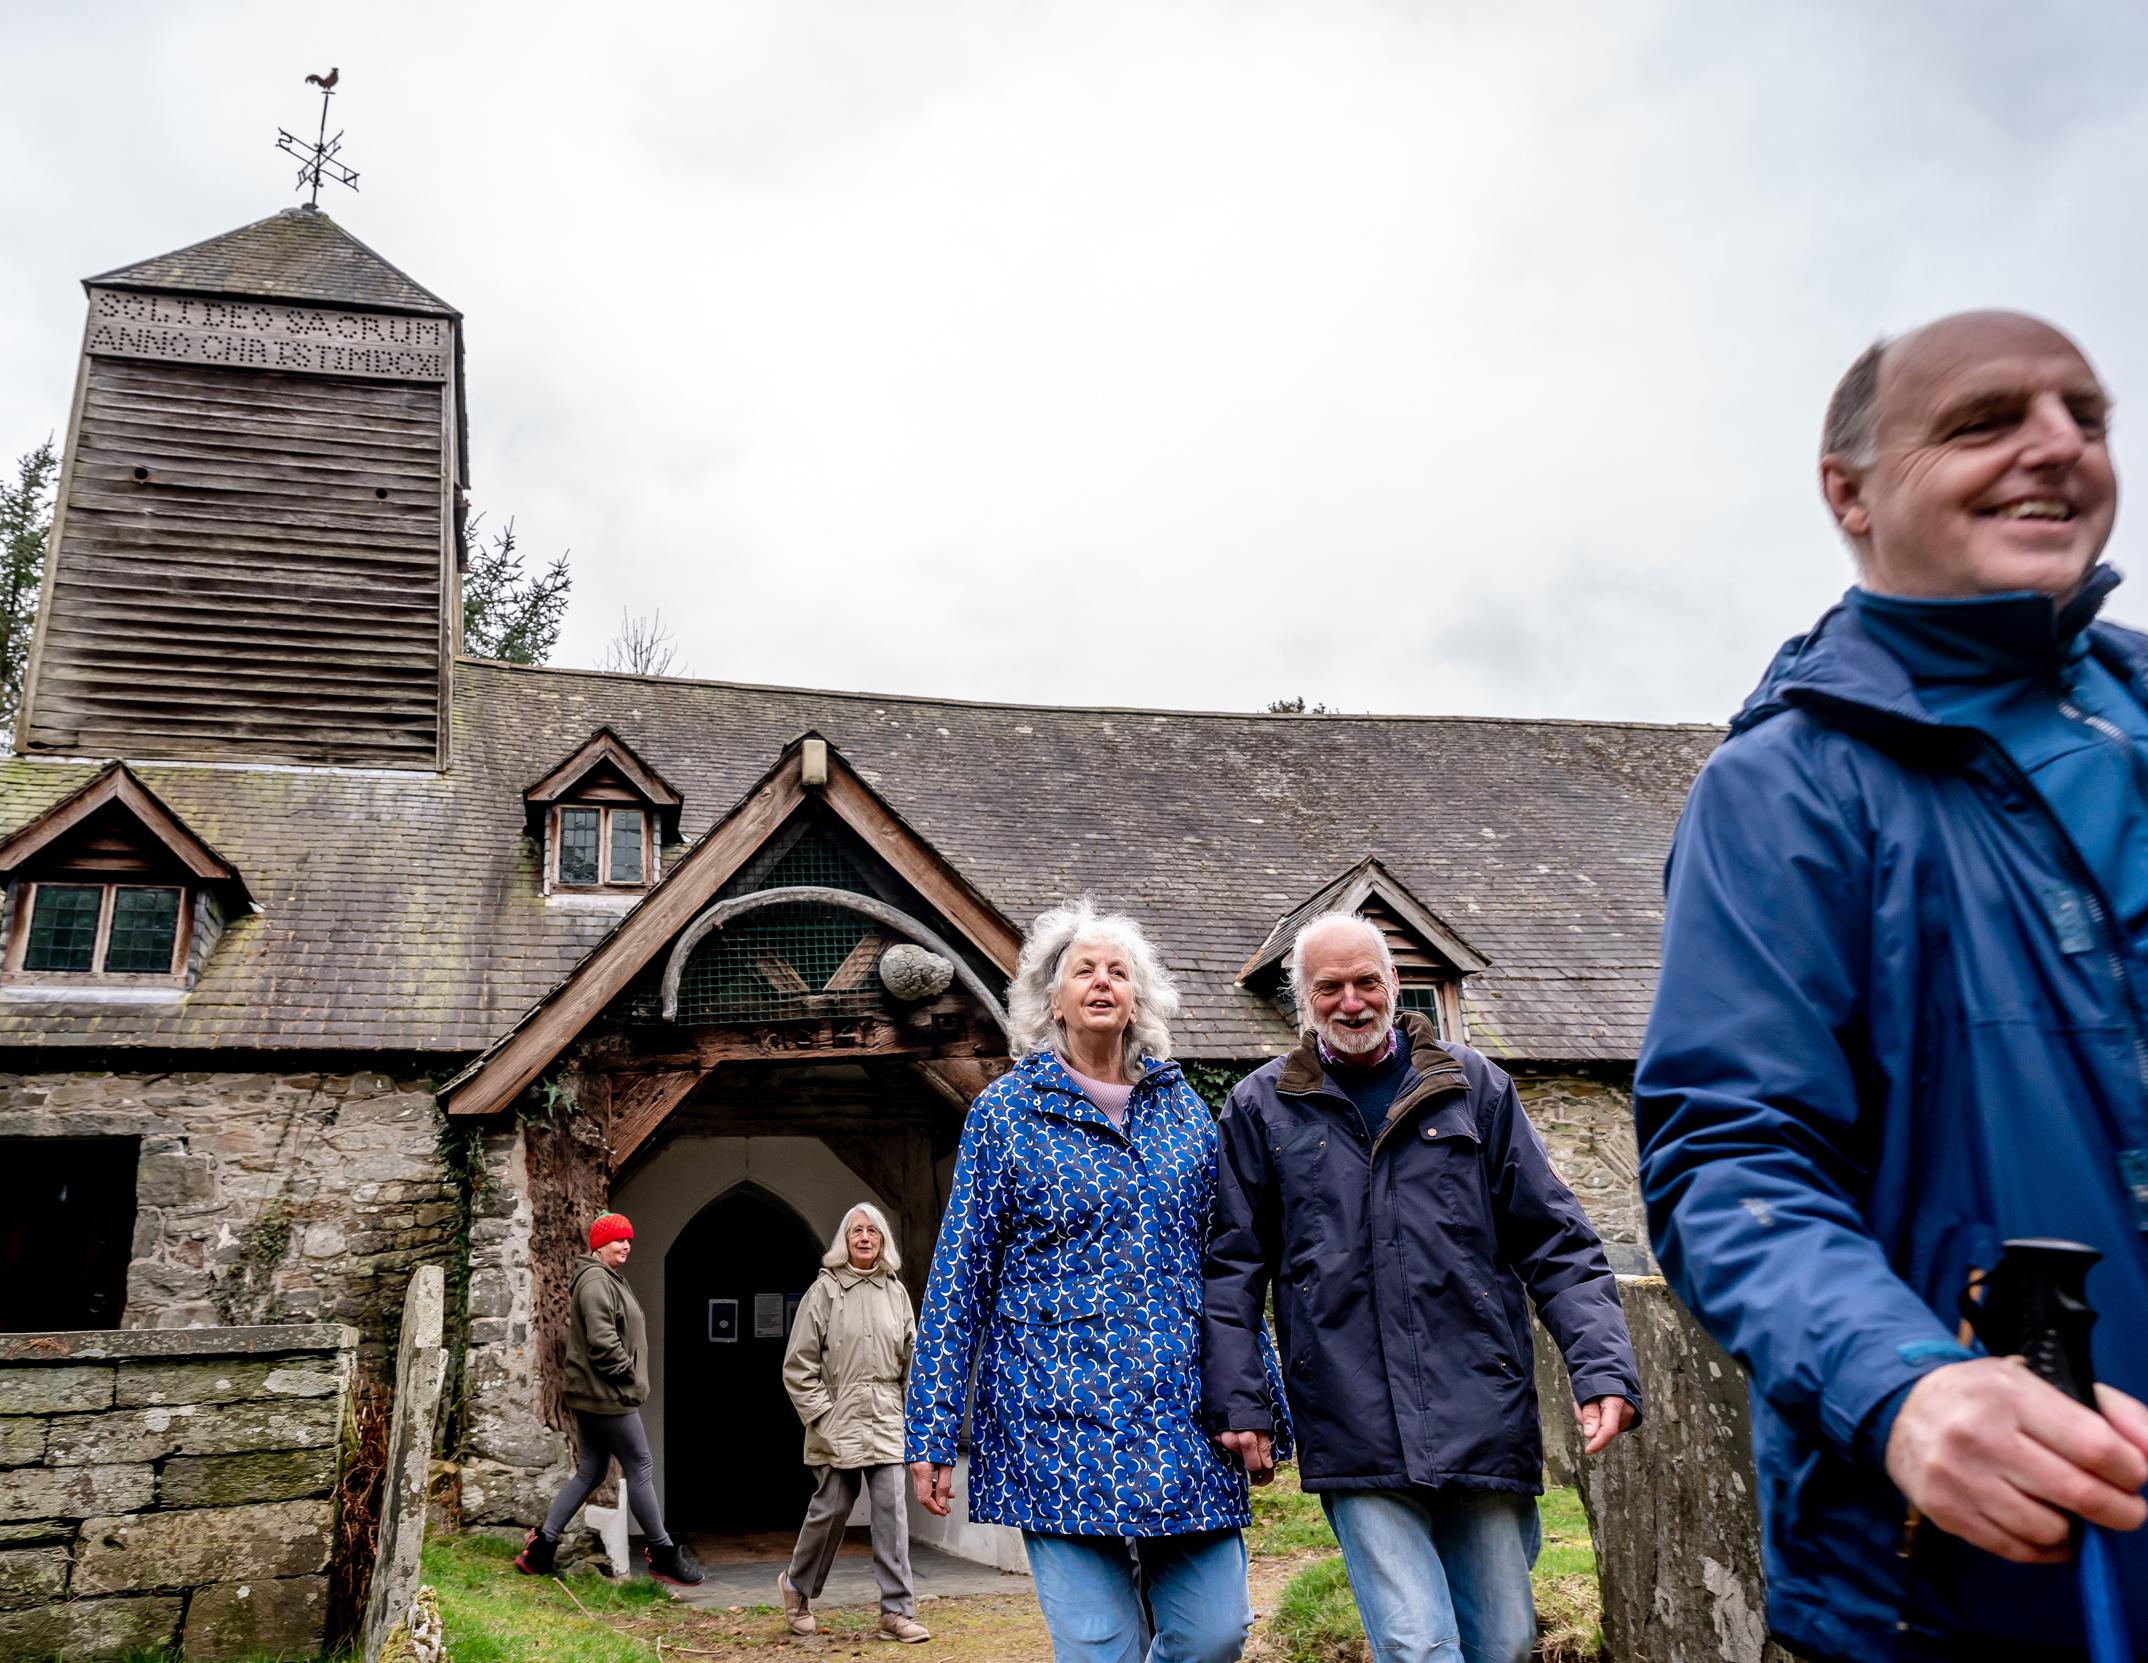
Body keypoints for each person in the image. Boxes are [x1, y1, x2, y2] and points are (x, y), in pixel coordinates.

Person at [1636, 310, 2148, 1660]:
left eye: (2085, 417)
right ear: (1849, 490)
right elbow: (1731, 1155)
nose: (2056, 446)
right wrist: (1907, 1386)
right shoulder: (1786, 790)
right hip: (1966, 1585)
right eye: (1985, 420)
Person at [1200, 913, 1639, 1663]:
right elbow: (1232, 1268)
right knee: (1415, 1643)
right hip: (1350, 1414)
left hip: (1479, 1405)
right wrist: (1243, 1402)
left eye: (1365, 981)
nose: (1350, 1001)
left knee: (1501, 1641)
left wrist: (1602, 1366)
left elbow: (1557, 1243)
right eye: (1328, 987)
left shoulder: (1477, 1088)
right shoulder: (1260, 1107)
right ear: (1301, 999)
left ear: (1394, 984)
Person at [906, 898, 1275, 1663]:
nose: (1102, 982)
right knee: (1099, 1649)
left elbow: (1228, 1270)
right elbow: (959, 1277)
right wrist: (933, 1430)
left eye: (1118, 971)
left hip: (1181, 1421)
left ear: (1138, 997)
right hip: (1056, 1423)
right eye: (1085, 970)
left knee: (1215, 1633)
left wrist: (1258, 1403)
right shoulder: (1005, 1113)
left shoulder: (1185, 1115)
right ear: (1053, 997)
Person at [516, 1211, 706, 1587]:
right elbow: (603, 1343)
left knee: (592, 1470)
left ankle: (541, 1549)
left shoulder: (605, 1279)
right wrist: (630, 1376)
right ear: (599, 1244)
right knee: (641, 1466)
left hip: (597, 1394)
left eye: (629, 1240)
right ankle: (663, 1553)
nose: (626, 1245)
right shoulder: (595, 1282)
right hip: (608, 1396)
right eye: (618, 1239)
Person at [778, 1201, 929, 1644]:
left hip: (885, 1415)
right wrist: (822, 1414)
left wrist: (910, 1416)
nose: (865, 1238)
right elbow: (798, 1365)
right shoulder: (823, 1292)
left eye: (873, 1232)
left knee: (891, 1515)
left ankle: (897, 1613)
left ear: (883, 1242)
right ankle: (796, 1587)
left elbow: (910, 1363)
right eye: (856, 1231)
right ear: (844, 1241)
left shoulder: (895, 1292)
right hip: (838, 1415)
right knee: (832, 1510)